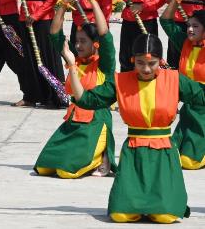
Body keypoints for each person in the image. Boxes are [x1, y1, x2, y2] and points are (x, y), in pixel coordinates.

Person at [66, 33, 205, 223]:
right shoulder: (120, 82)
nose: (146, 69)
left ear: (161, 61)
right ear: (132, 60)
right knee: (120, 215)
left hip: (163, 153)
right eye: (140, 63)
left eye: (152, 63)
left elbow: (201, 96)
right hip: (133, 153)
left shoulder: (174, 79)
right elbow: (86, 100)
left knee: (165, 217)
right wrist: (72, 66)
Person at [35, 0, 116, 179]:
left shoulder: (105, 63)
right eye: (76, 41)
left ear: (95, 44)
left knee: (66, 172)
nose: (78, 46)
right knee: (44, 168)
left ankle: (102, 158)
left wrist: (92, 2)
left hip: (96, 122)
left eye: (83, 41)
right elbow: (54, 33)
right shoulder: (75, 59)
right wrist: (63, 4)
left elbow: (104, 34)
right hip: (73, 121)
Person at [159, 0, 205, 170]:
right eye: (189, 25)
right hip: (190, 108)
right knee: (170, 155)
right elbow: (165, 21)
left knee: (189, 162)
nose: (190, 29)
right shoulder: (186, 42)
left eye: (196, 26)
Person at [21, 0, 67, 107]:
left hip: (43, 16)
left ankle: (55, 97)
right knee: (30, 58)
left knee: (48, 57)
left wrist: (37, 14)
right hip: (25, 14)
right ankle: (32, 96)